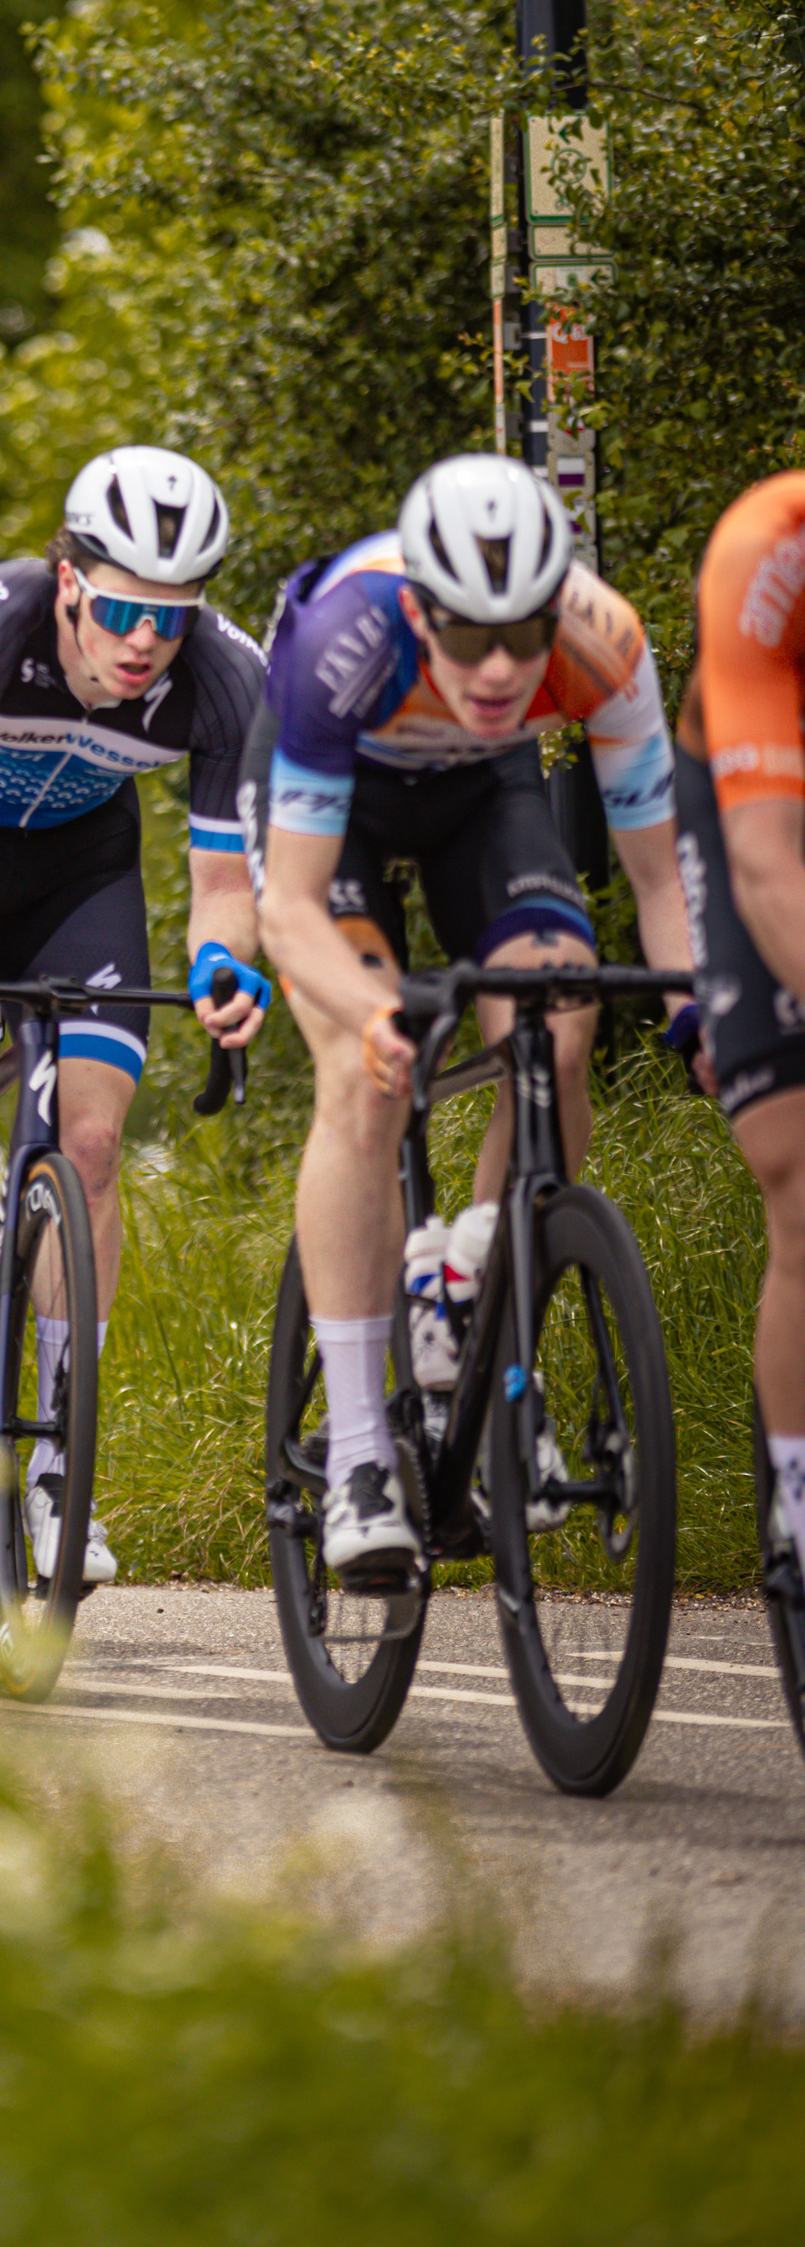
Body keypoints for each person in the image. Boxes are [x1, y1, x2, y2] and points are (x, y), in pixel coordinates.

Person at [247, 454, 695, 1582]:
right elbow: (288, 911)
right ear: (417, 611)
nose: (497, 666)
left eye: (521, 634)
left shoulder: (602, 641)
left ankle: (474, 1276)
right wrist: (368, 1005)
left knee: (562, 1014)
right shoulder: (342, 635)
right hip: (332, 811)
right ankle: (355, 1449)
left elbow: (658, 879)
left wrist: (700, 1006)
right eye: (463, 639)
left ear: (558, 608)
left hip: (476, 798)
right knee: (363, 1072)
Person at [0, 447, 269, 1579]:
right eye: (120, 608)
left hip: (84, 871)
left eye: (169, 619)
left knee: (88, 1143)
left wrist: (224, 967)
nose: (142, 642)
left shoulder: (225, 679)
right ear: (68, 579)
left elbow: (224, 884)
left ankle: (53, 1465)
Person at [673, 473, 805, 1583]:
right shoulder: (765, 549)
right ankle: (798, 1509)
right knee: (794, 1169)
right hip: (754, 814)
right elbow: (766, 869)